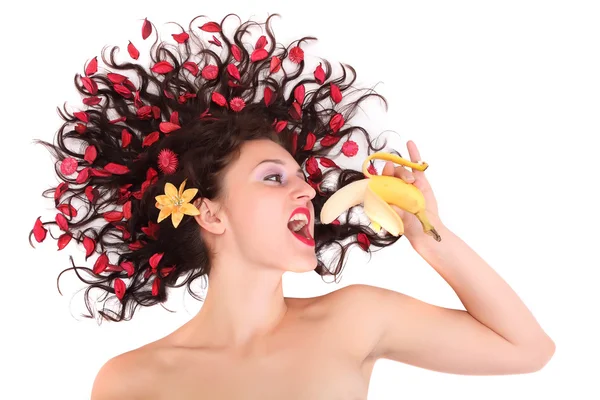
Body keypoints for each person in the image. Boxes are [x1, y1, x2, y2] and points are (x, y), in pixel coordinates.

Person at [29, 13, 555, 399]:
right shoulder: (130, 381)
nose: (306, 192)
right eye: (274, 178)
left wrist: (429, 234)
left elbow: (528, 350)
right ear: (210, 213)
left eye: (302, 179)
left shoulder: (353, 318)